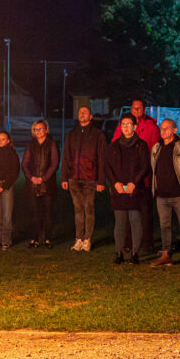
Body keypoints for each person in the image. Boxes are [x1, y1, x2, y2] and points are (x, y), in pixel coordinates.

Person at [112, 99, 159, 253]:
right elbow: (113, 152)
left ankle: (146, 242)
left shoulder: (151, 127)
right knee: (124, 215)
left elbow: (154, 151)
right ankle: (126, 243)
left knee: (143, 213)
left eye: (139, 108)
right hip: (123, 178)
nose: (136, 110)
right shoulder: (122, 128)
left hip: (142, 180)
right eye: (133, 108)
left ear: (144, 110)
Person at [150, 118, 180, 268]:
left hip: (179, 193)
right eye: (161, 128)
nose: (163, 131)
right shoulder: (157, 147)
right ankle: (166, 254)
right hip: (162, 194)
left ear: (174, 130)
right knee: (164, 225)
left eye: (166, 128)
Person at [105, 113, 151, 264]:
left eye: (128, 124)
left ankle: (135, 253)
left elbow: (145, 166)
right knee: (120, 222)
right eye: (123, 124)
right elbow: (108, 167)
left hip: (135, 189)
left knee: (135, 220)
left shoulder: (141, 145)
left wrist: (134, 183)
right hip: (118, 189)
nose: (126, 127)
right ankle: (119, 252)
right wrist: (115, 184)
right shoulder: (113, 146)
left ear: (135, 127)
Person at [62, 106, 106, 252]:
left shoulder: (97, 135)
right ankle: (78, 238)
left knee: (89, 208)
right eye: (80, 112)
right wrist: (64, 177)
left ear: (91, 116)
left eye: (85, 112)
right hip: (74, 177)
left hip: (90, 178)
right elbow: (66, 157)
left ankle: (87, 239)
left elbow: (101, 158)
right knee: (78, 209)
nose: (81, 114)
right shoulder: (71, 134)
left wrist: (101, 180)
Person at [22, 119, 59, 248]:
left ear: (46, 130)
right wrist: (31, 177)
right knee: (34, 213)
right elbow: (25, 164)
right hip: (32, 185)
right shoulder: (31, 145)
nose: (38, 132)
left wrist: (43, 178)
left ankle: (48, 238)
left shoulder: (51, 144)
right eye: (36, 129)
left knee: (48, 212)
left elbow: (54, 164)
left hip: (48, 185)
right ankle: (35, 238)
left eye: (41, 129)